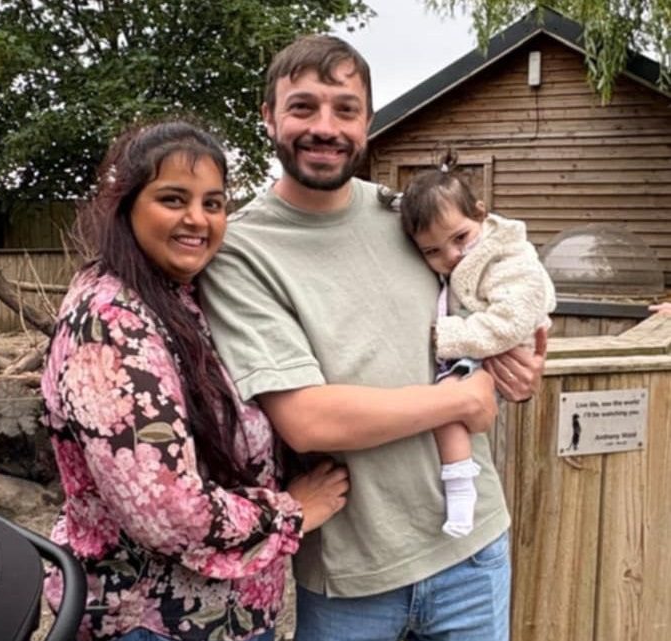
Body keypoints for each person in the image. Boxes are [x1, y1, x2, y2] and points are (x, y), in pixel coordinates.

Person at [199, 35, 546, 641]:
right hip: (352, 574)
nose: (324, 127)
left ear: (368, 120)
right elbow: (308, 420)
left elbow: (497, 301)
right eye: (303, 107)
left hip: (472, 549)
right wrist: (464, 400)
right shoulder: (241, 251)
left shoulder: (408, 217)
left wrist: (515, 362)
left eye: (345, 108)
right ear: (269, 118)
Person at [40, 120, 350, 641]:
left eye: (213, 203)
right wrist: (292, 511)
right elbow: (167, 509)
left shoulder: (183, 297)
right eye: (172, 199)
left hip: (217, 618)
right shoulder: (109, 324)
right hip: (150, 620)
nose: (196, 219)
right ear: (126, 204)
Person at [397, 150, 557, 538]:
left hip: (495, 345)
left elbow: (511, 320)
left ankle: (461, 489)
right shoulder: (473, 255)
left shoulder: (509, 258)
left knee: (447, 405)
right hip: (482, 342)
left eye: (460, 238)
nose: (450, 256)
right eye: (432, 251)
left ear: (482, 214)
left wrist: (444, 336)